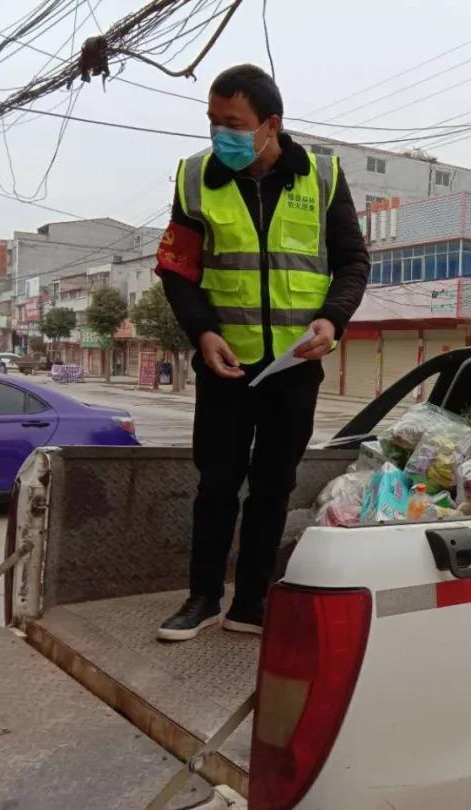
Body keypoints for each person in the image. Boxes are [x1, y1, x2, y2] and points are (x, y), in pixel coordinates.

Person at [154, 64, 368, 641]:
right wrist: (202, 332)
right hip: (224, 366)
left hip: (294, 368)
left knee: (273, 487)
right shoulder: (195, 178)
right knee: (216, 485)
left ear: (270, 124)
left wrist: (333, 318)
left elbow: (352, 261)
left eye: (233, 122)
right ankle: (202, 599)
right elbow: (177, 269)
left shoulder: (322, 177)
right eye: (212, 121)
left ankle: (250, 603)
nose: (219, 133)